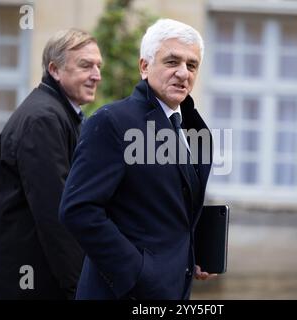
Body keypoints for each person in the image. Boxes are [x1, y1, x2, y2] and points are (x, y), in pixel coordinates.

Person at [59, 18, 215, 300]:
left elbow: (172, 211)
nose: (183, 73)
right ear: (144, 67)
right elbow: (78, 210)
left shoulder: (193, 128)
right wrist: (138, 274)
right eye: (172, 62)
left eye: (192, 65)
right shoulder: (111, 121)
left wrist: (192, 253)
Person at [0, 28, 103, 299]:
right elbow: (56, 214)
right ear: (55, 70)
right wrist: (79, 288)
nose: (96, 75)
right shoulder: (43, 118)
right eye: (85, 66)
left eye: (98, 66)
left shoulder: (59, 113)